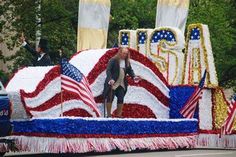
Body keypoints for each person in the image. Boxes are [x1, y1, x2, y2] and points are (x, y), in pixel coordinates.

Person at [103, 47, 141, 118]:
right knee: (110, 98)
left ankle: (118, 115)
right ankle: (108, 115)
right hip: (113, 83)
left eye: (126, 54)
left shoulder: (127, 62)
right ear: (120, 52)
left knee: (121, 98)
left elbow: (130, 71)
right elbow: (108, 70)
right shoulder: (113, 60)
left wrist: (134, 77)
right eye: (124, 53)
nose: (125, 55)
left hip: (122, 83)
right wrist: (110, 79)